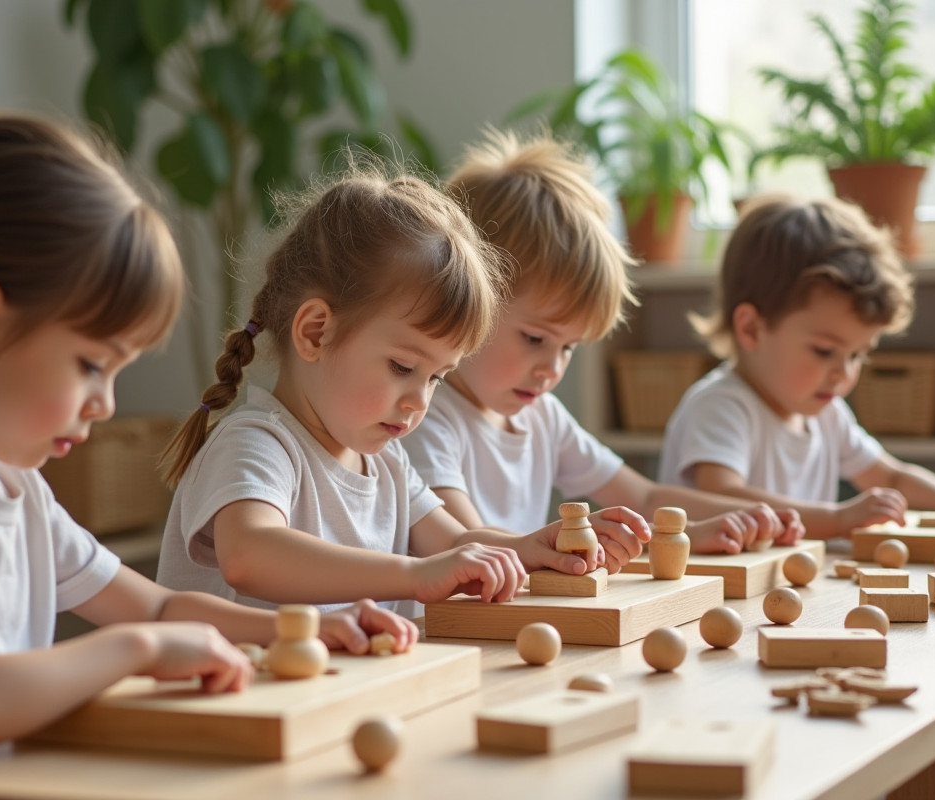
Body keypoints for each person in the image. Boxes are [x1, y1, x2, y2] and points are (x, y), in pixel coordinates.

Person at [0, 119, 411, 772]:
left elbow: (161, 605)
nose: (107, 403)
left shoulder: (12, 485)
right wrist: (136, 650)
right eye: (92, 364)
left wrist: (305, 627)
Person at [157, 159, 650, 613]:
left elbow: (455, 544)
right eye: (401, 367)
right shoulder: (256, 444)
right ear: (315, 332)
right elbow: (250, 555)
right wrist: (414, 576)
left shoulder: (386, 464)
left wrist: (529, 548)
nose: (420, 402)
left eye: (437, 377)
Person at [406, 131, 804, 554]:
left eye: (567, 347)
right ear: (468, 301)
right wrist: (571, 541)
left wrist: (713, 523)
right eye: (535, 337)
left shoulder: (542, 417)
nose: (551, 368)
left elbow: (645, 498)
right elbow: (465, 547)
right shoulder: (425, 417)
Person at [661, 193, 935, 537]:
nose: (843, 374)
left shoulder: (826, 412)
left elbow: (890, 477)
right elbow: (719, 495)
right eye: (824, 350)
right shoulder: (722, 406)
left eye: (857, 355)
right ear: (751, 328)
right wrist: (835, 519)